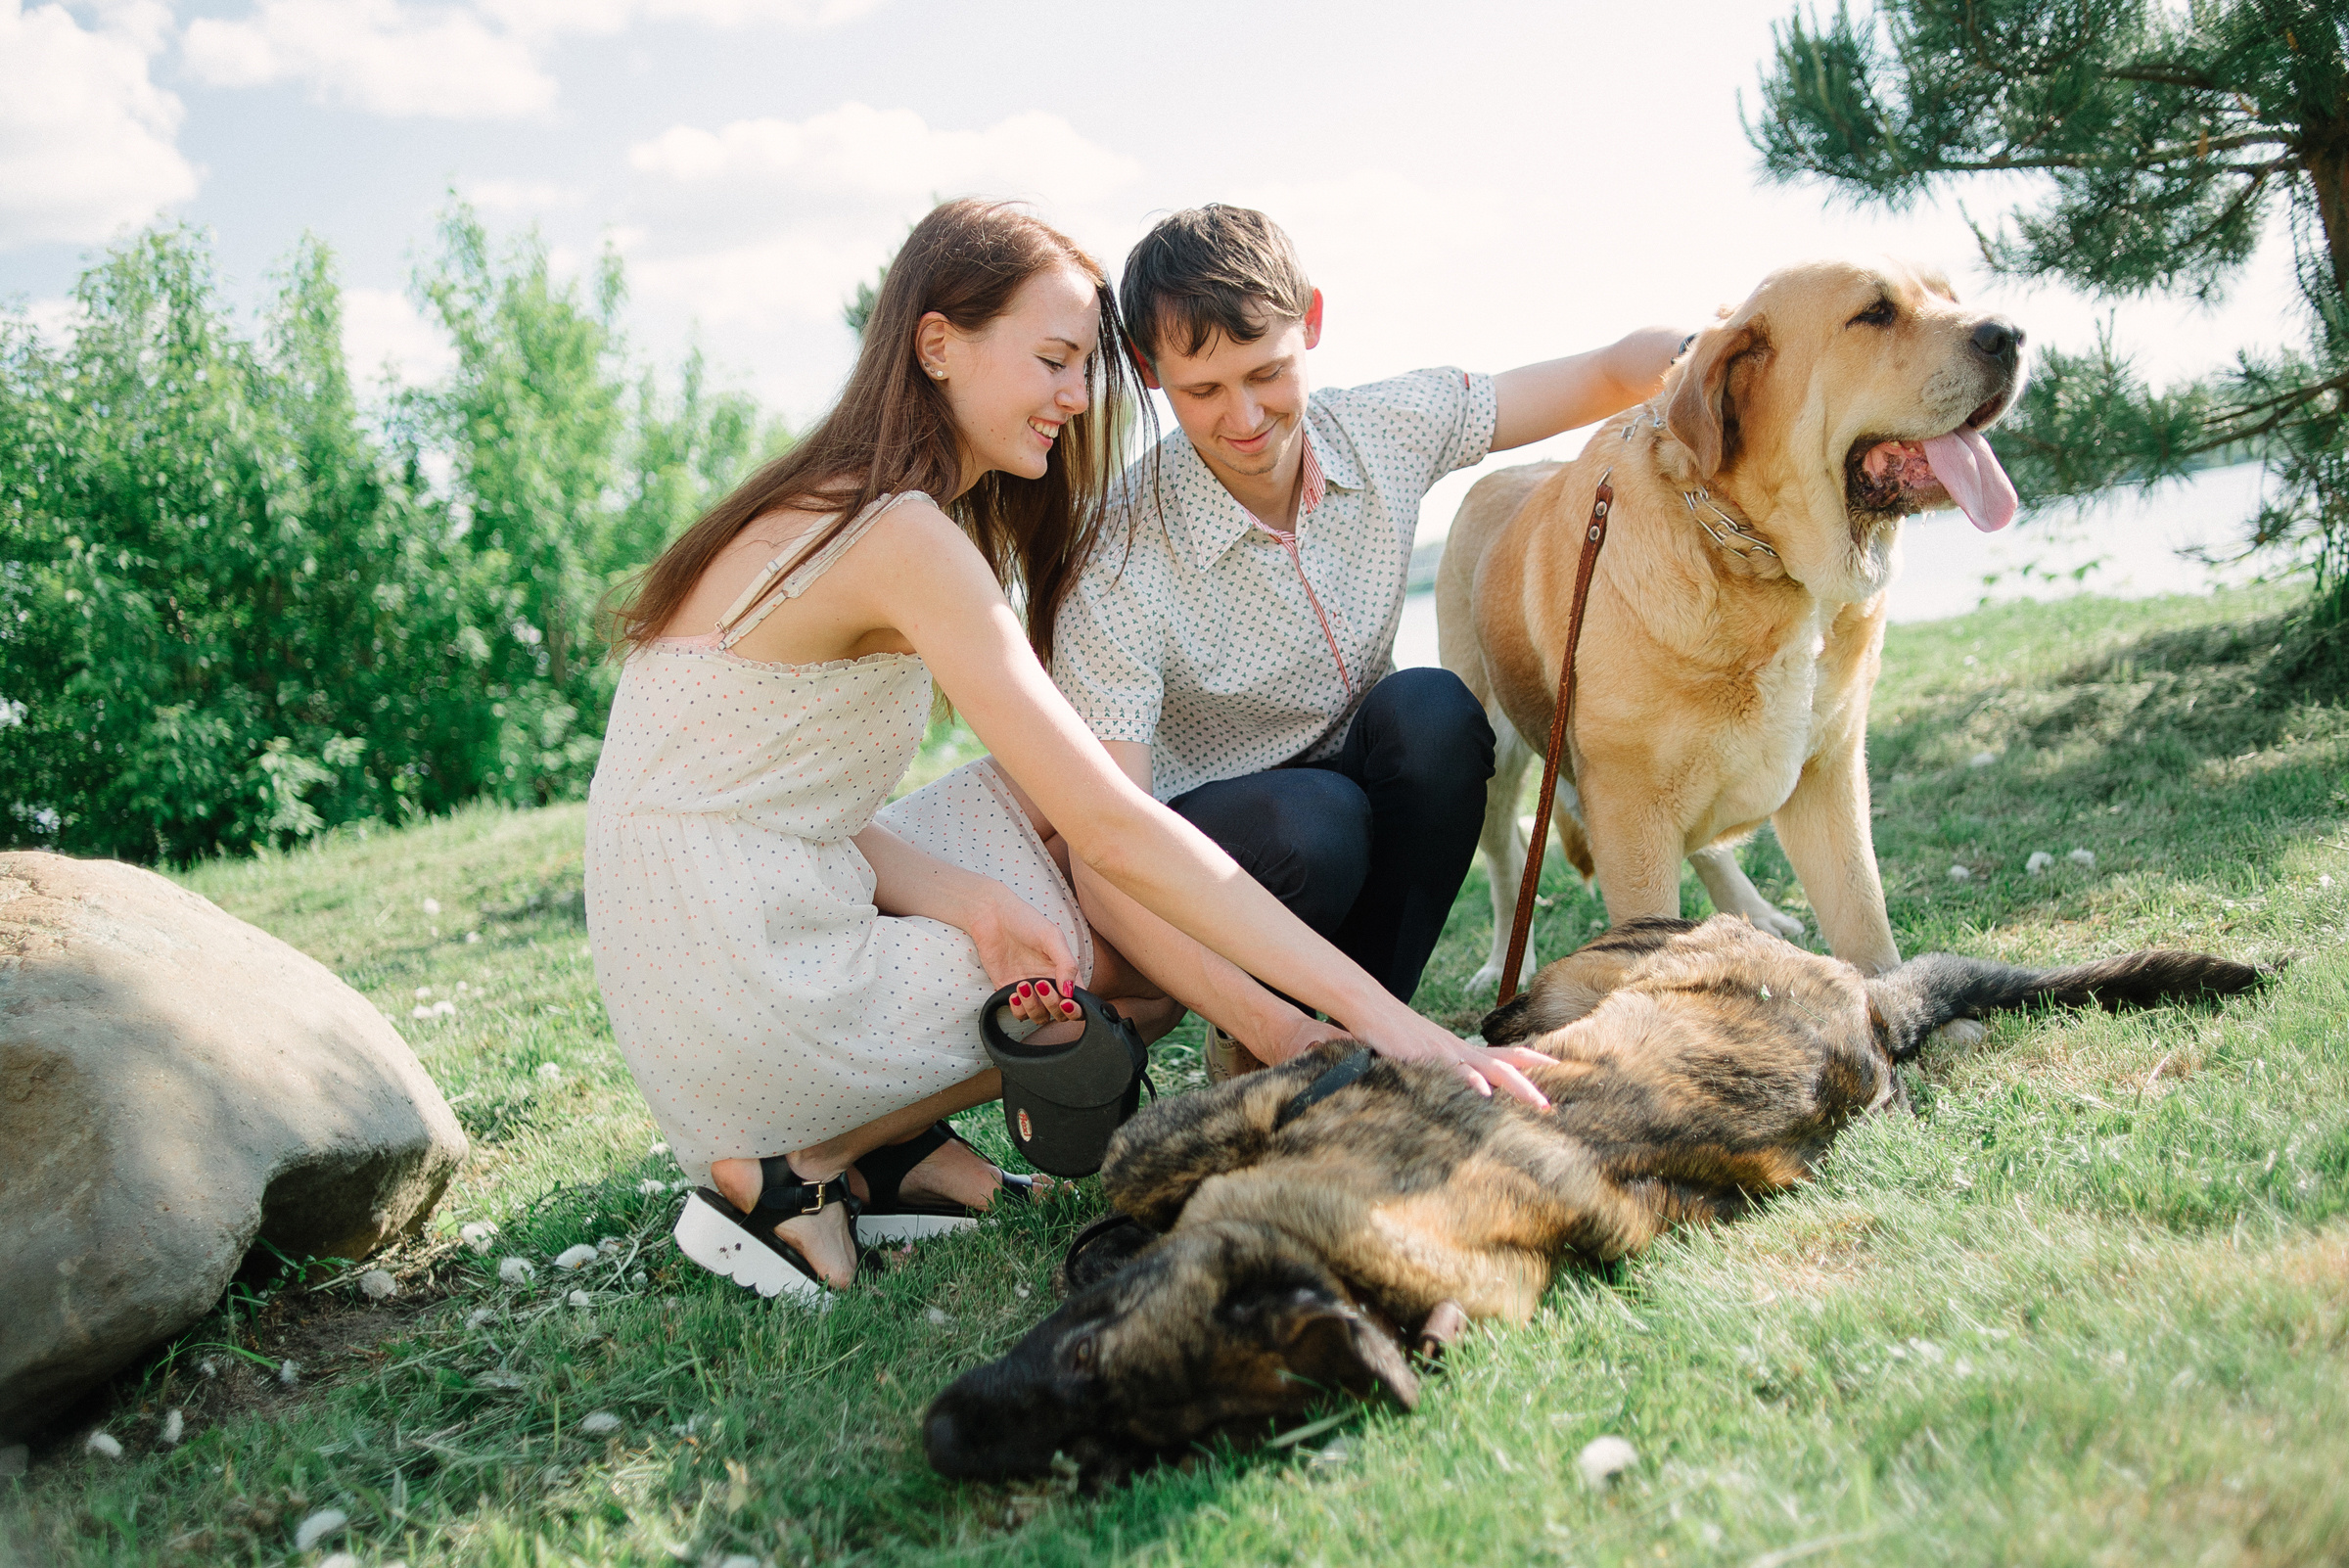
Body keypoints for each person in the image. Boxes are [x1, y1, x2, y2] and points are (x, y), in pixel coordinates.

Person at [586, 199, 1551, 1300]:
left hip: (710, 923)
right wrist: (1382, 1025)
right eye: (1053, 360)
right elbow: (1113, 833)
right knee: (1119, 930)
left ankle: (892, 1151)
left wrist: (974, 903)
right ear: (937, 343)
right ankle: (796, 1165)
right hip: (742, 973)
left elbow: (771, 793)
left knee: (1041, 861)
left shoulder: (845, 503)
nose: (1077, 398)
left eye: (1089, 367)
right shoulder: (898, 535)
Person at [1049, 206, 1689, 1077]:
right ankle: (1258, 1037)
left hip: (1357, 783)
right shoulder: (1119, 558)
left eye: (1267, 372)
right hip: (1224, 844)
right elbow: (1111, 852)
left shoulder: (1381, 427)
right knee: (1317, 820)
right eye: (1203, 391)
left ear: (1310, 319)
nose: (1243, 417)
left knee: (1434, 714)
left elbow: (1605, 372)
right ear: (1150, 372)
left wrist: (1706, 345)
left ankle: (1363, 1040)